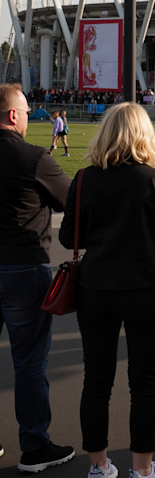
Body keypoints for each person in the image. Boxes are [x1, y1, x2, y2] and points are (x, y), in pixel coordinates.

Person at [59, 103, 155, 478]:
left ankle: (99, 466)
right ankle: (143, 469)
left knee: (96, 379)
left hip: (96, 287)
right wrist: (150, 232)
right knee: (145, 381)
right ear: (143, 134)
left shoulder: (84, 179)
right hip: (145, 287)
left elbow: (70, 236)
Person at [0, 84, 75, 474]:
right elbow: (71, 201)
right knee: (28, 363)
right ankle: (34, 445)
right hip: (23, 266)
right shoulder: (32, 157)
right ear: (13, 115)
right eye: (27, 110)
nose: (30, 116)